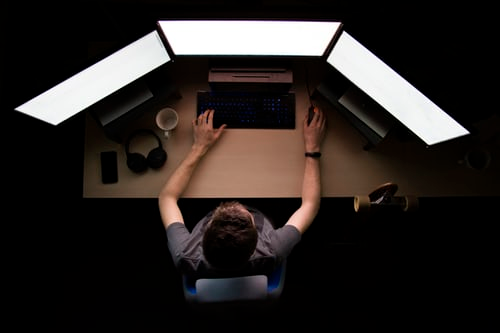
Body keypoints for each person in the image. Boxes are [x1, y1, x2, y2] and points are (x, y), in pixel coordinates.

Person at [158, 107, 326, 278]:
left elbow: (167, 198)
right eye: (248, 217)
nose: (239, 204)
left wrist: (198, 147)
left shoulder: (185, 255)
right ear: (256, 241)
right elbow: (310, 205)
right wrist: (313, 146)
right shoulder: (272, 250)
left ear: (206, 229)